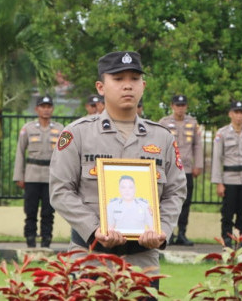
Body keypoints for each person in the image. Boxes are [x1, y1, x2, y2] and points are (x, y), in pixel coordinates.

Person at [49, 51, 186, 276]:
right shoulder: (77, 134)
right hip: (89, 259)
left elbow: (175, 192)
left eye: (134, 79)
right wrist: (94, 229)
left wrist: (161, 229)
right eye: (118, 79)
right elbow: (60, 191)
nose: (127, 86)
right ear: (101, 87)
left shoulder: (162, 138)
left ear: (143, 85)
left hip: (143, 262)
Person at [13, 94, 62, 248]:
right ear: (37, 109)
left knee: (48, 212)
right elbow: (20, 152)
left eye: (48, 107)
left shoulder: (60, 129)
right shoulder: (28, 129)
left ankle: (47, 239)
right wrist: (19, 176)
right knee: (31, 210)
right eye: (43, 107)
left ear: (52, 109)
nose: (46, 110)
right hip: (32, 175)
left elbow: (64, 155)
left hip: (51, 176)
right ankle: (30, 238)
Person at [211, 101, 242, 249]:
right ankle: (226, 242)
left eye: (241, 112)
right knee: (227, 213)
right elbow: (217, 159)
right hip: (229, 178)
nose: (239, 116)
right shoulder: (222, 134)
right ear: (230, 114)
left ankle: (241, 243)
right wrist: (218, 182)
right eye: (236, 112)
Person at [159, 94, 203, 246]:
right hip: (169, 169)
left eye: (183, 105)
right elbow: (159, 146)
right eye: (177, 105)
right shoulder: (163, 123)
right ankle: (168, 233)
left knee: (185, 202)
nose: (180, 108)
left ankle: (182, 233)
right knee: (167, 201)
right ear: (172, 106)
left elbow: (197, 145)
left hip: (187, 169)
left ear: (186, 107)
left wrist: (198, 164)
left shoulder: (192, 123)